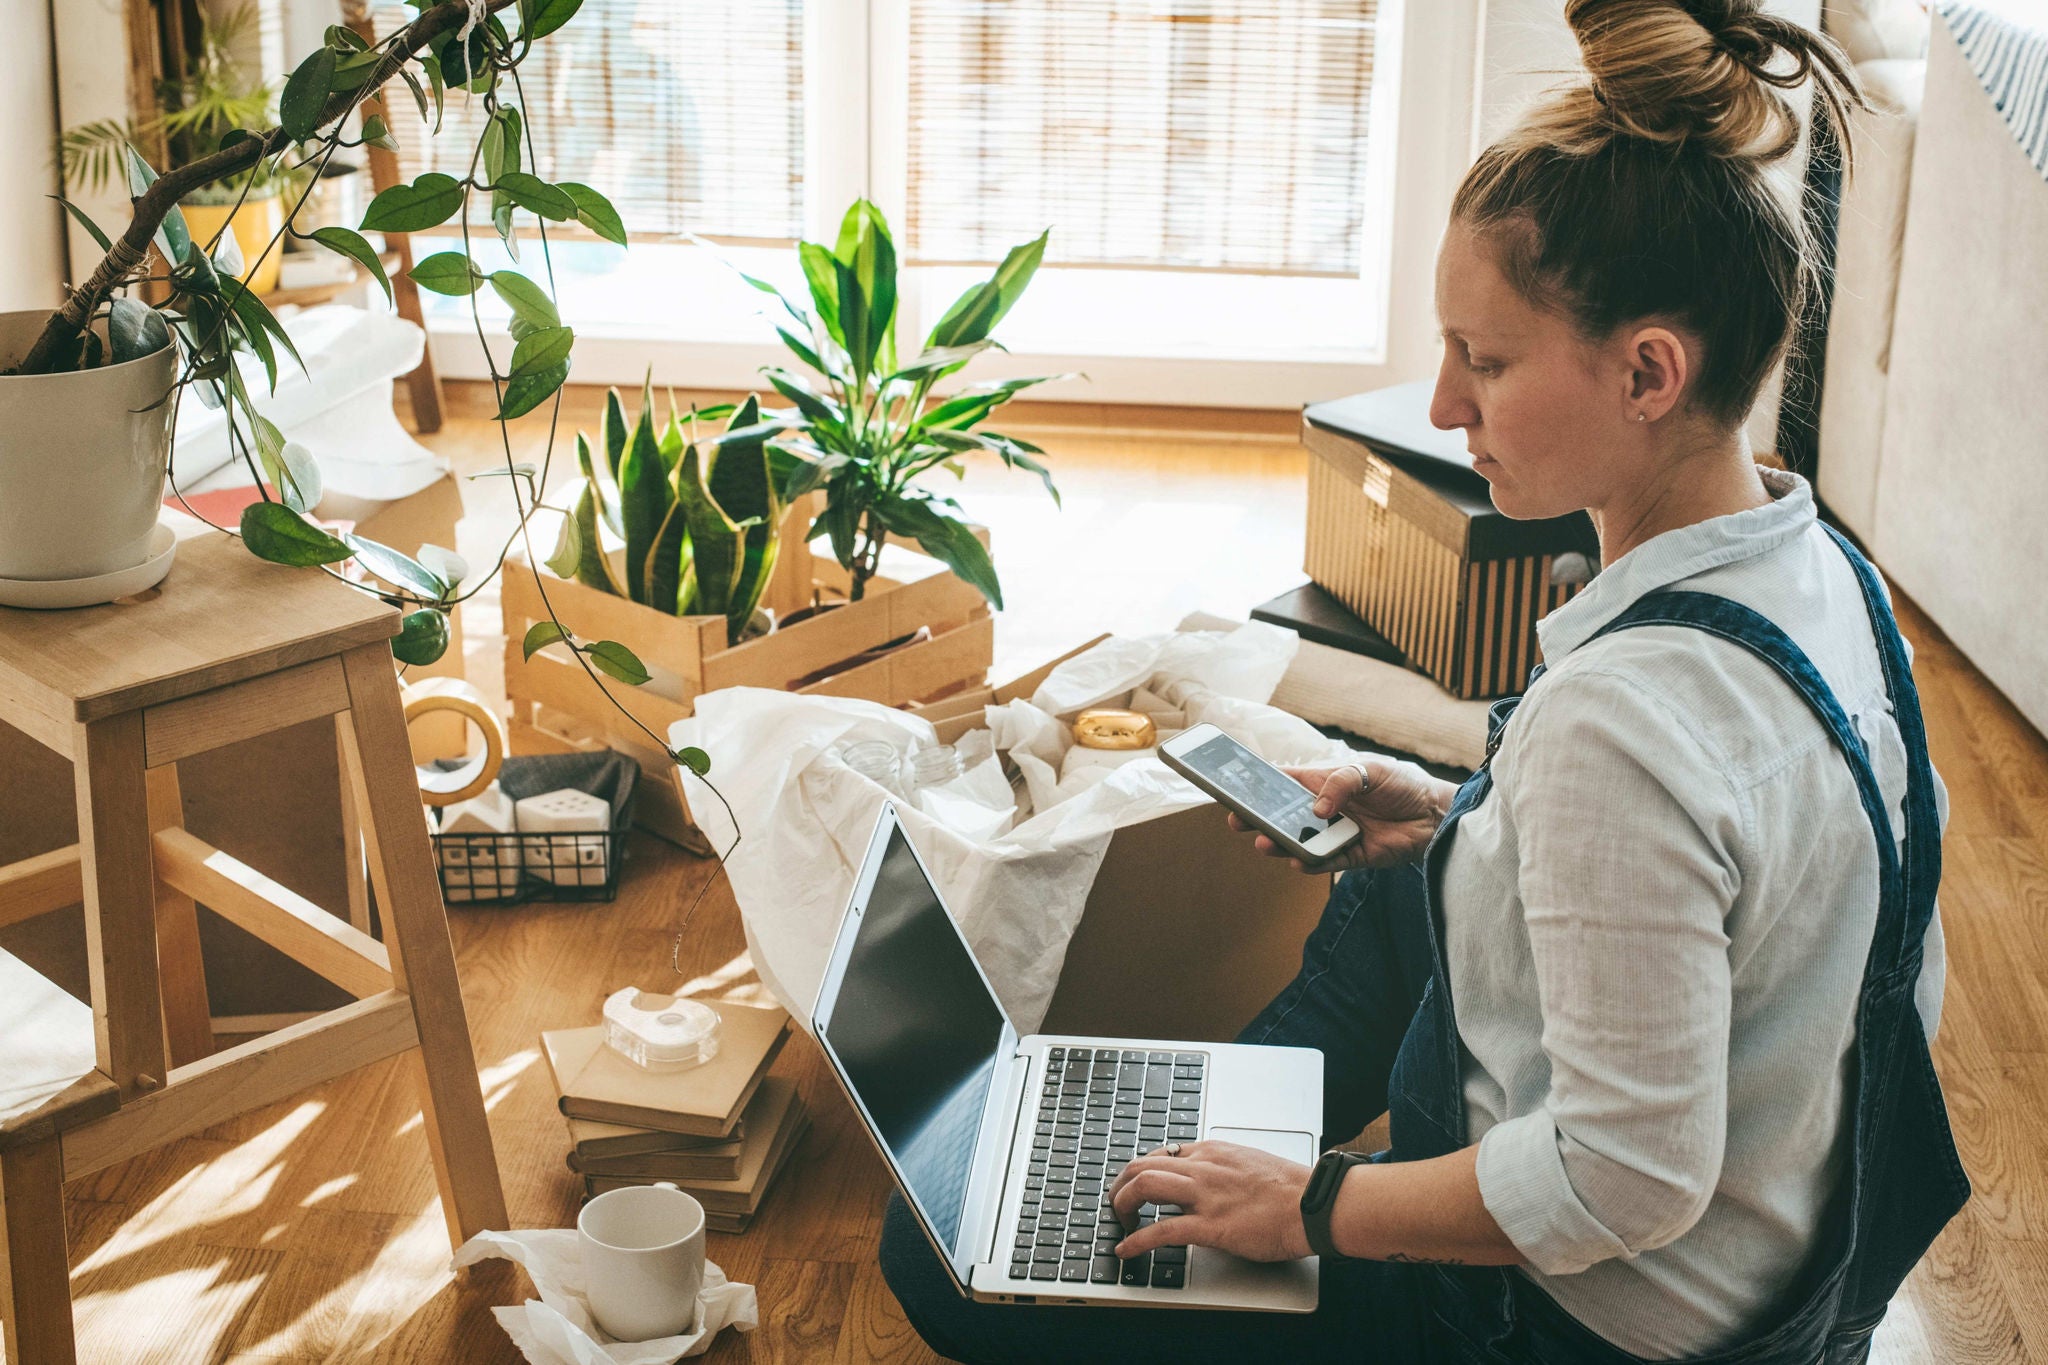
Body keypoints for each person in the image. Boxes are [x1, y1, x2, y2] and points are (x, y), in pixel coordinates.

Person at [878, 0, 1970, 1359]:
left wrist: (1318, 1205)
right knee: (1404, 872)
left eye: (1486, 360)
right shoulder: (1838, 587)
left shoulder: (1620, 729)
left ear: (1647, 371)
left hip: (1571, 1322)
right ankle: (1214, 1131)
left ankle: (1219, 1172)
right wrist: (1468, 817)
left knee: (927, 1242)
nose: (1444, 405)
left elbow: (1624, 1178)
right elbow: (1742, 906)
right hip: (1789, 1272)